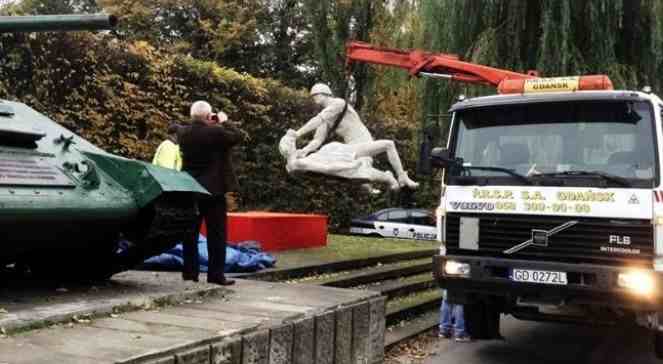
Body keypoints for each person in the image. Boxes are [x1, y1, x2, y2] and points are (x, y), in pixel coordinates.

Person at [283, 83, 418, 192]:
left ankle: (401, 176)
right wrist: (305, 151)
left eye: (315, 95)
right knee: (363, 175)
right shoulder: (327, 118)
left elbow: (318, 119)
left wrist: (297, 133)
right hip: (351, 146)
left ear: (324, 93)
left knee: (388, 144)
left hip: (363, 141)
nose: (314, 98)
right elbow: (317, 140)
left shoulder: (338, 103)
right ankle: (387, 177)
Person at [178, 101, 243, 286]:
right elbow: (237, 137)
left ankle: (190, 273)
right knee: (216, 234)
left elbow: (179, 128)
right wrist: (224, 121)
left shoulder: (184, 133)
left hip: (190, 188)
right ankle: (215, 275)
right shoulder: (216, 131)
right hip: (213, 190)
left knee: (189, 233)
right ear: (208, 116)